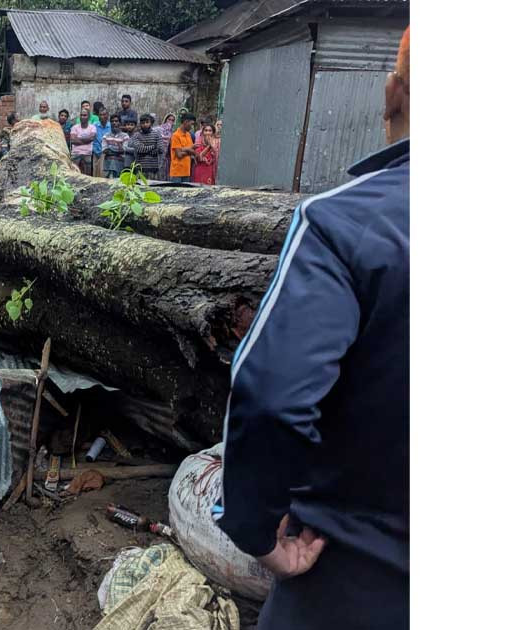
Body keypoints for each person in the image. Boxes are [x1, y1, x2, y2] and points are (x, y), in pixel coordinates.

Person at [215, 26, 409, 630]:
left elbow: (271, 398)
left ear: (391, 94)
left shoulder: (342, 223)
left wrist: (254, 529)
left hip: (356, 573)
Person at [130, 114, 163, 181]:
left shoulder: (157, 134)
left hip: (153, 168)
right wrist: (153, 146)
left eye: (147, 122)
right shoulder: (136, 135)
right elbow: (139, 149)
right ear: (140, 124)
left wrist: (145, 150)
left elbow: (160, 149)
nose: (145, 124)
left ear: (151, 123)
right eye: (143, 123)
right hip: (140, 169)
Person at [168, 113, 197, 183]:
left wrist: (187, 150)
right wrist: (189, 150)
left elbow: (191, 149)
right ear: (186, 122)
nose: (192, 127)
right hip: (177, 173)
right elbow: (179, 155)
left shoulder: (188, 135)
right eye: (191, 124)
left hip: (186, 171)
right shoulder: (175, 135)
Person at [68, 109, 97, 175]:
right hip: (75, 154)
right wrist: (86, 141)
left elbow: (92, 138)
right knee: (73, 175)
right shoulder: (74, 127)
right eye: (81, 115)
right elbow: (72, 140)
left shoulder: (92, 127)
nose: (82, 117)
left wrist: (78, 139)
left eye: (85, 115)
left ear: (88, 117)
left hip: (87, 154)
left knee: (87, 176)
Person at [91, 102, 110, 177]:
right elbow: (92, 138)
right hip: (96, 152)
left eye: (104, 114)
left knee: (103, 174)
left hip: (106, 154)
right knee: (95, 174)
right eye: (101, 115)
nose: (102, 116)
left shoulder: (110, 126)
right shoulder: (94, 125)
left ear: (107, 115)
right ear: (98, 116)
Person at [158, 113, 176, 179]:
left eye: (172, 120)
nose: (170, 121)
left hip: (169, 156)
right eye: (169, 119)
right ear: (166, 119)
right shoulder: (160, 128)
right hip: (161, 155)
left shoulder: (174, 130)